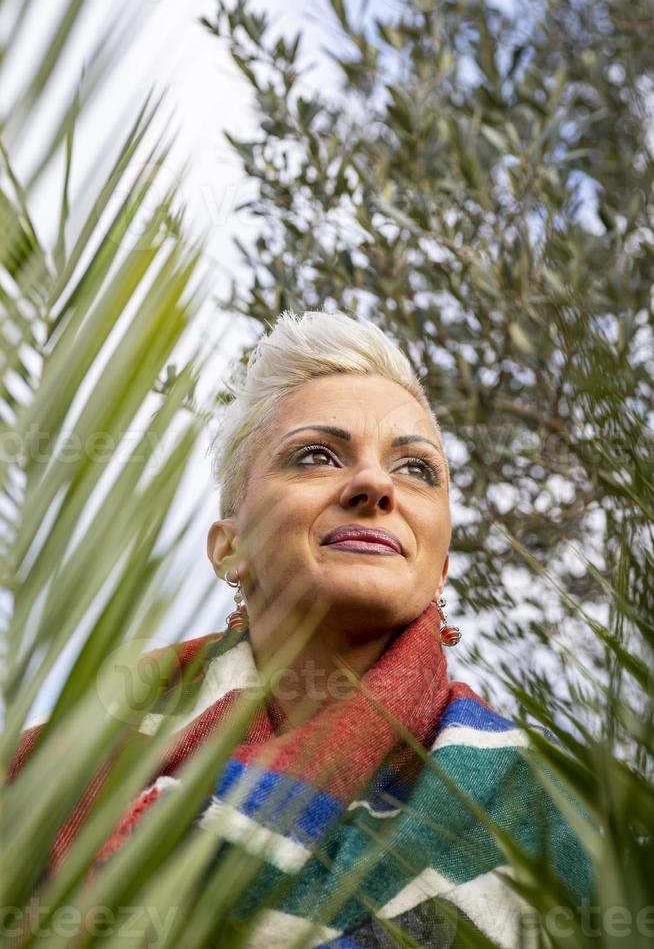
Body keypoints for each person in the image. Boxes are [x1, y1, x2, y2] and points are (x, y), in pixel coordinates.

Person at [8, 310, 592, 948]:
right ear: (230, 548)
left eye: (416, 469)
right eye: (318, 455)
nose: (374, 484)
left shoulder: (544, 817)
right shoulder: (46, 779)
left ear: (440, 563)